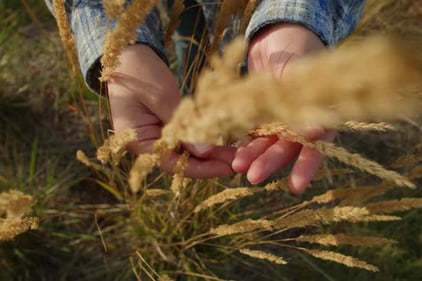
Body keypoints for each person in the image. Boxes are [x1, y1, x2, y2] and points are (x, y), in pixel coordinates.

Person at [46, 0, 365, 194]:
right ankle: (192, 92)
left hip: (246, 14)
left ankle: (215, 105)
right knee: (191, 43)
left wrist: (294, 17)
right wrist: (119, 44)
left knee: (225, 61)